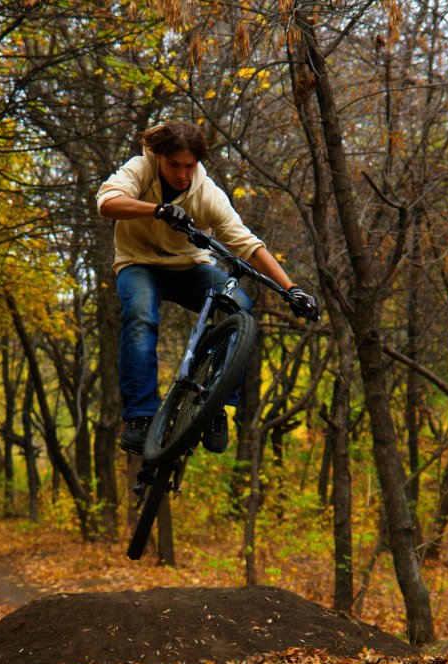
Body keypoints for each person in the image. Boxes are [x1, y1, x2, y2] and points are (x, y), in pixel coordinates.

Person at [97, 121, 317, 455]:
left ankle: (215, 402)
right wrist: (158, 210)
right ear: (159, 157)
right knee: (141, 317)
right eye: (174, 165)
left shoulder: (206, 193)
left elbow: (247, 243)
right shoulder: (140, 169)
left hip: (190, 267)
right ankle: (140, 417)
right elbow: (108, 202)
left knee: (239, 305)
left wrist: (292, 289)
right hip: (138, 264)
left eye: (190, 165)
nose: (183, 174)